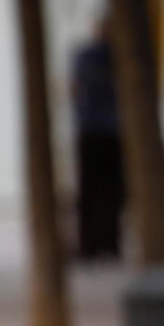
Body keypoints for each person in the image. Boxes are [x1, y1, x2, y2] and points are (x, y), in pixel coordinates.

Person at [71, 14, 125, 259]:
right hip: (111, 131)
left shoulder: (85, 56)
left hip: (91, 130)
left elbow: (74, 89)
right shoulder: (119, 59)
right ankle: (108, 243)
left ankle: (90, 245)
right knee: (111, 192)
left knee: (90, 192)